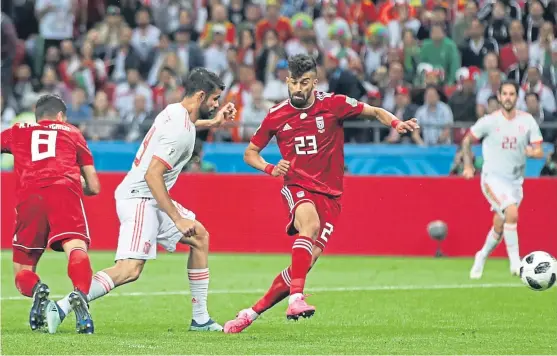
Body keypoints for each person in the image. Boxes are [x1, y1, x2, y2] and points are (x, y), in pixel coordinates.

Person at [223, 54, 418, 333]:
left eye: (304, 83)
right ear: (287, 82)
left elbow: (374, 111)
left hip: (331, 196)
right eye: (294, 83)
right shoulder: (276, 115)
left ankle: (249, 314)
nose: (298, 89)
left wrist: (397, 124)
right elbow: (249, 153)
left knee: (303, 264)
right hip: (297, 186)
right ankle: (296, 299)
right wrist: (269, 168)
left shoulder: (333, 104)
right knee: (309, 225)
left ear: (314, 82)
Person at [45, 68, 237, 334]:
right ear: (201, 95)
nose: (217, 104)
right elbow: (152, 175)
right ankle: (62, 306)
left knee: (199, 237)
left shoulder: (174, 111)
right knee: (129, 269)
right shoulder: (180, 129)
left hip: (149, 197)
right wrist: (177, 218)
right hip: (140, 198)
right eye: (215, 99)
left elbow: (187, 127)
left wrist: (213, 122)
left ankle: (200, 319)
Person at [0, 94, 101, 333]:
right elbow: (95, 187)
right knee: (75, 248)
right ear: (60, 116)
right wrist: (78, 184)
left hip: (29, 196)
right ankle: (79, 296)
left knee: (22, 271)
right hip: (64, 191)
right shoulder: (71, 132)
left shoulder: (17, 130)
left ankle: (37, 290)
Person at [461, 80, 544, 279]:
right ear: (499, 97)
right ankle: (516, 263)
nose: (508, 97)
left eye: (512, 94)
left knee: (500, 224)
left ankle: (481, 256)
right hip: (492, 179)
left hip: (515, 182)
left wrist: (533, 152)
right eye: (504, 94)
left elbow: (539, 150)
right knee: (512, 212)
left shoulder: (527, 121)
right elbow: (466, 140)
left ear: (517, 97)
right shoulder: (489, 121)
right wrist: (467, 165)